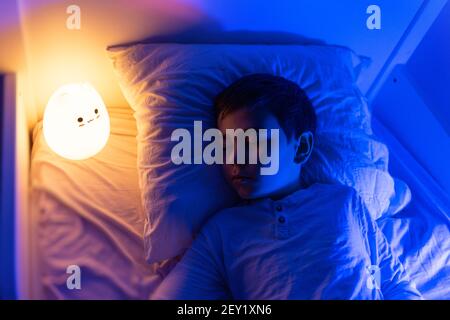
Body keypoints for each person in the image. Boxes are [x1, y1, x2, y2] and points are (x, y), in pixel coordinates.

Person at [152, 74, 422, 300]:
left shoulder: (343, 202)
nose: (234, 159)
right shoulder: (223, 231)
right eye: (226, 147)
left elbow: (396, 285)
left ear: (301, 147)